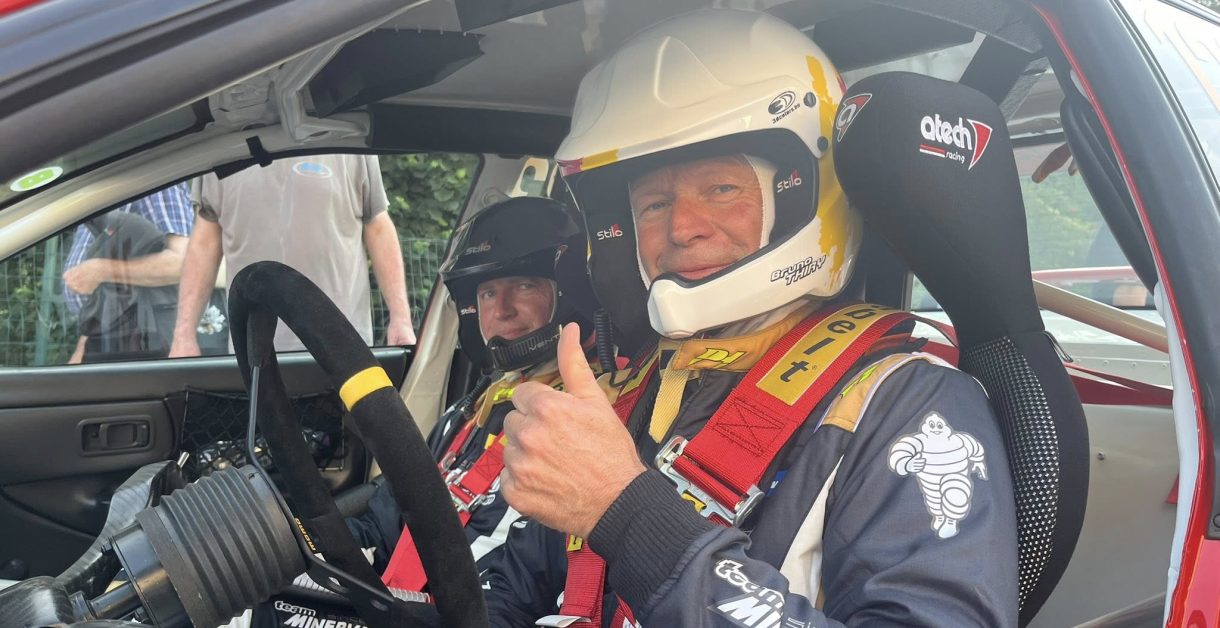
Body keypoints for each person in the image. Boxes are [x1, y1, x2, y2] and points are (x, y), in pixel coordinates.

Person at [483, 9, 1018, 627]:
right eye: (654, 203)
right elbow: (513, 585)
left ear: (795, 192)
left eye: (721, 189)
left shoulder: (909, 402)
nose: (681, 228)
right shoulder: (640, 387)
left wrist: (627, 514)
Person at [248, 197, 608, 628]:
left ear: (567, 293)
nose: (502, 309)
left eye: (525, 286)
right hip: (401, 603)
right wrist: (293, 550)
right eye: (488, 292)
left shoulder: (587, 425)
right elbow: (386, 523)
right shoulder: (472, 410)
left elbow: (521, 593)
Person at [169, 154, 414, 356]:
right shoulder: (224, 146)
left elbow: (378, 228)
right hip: (253, 354)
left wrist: (401, 320)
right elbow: (204, 243)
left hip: (345, 349)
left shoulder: (346, 140)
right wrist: (183, 335)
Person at [62, 183, 192, 363]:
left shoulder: (152, 180)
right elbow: (104, 294)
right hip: (109, 336)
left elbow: (184, 263)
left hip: (144, 343)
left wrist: (103, 270)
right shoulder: (105, 192)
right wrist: (82, 350)